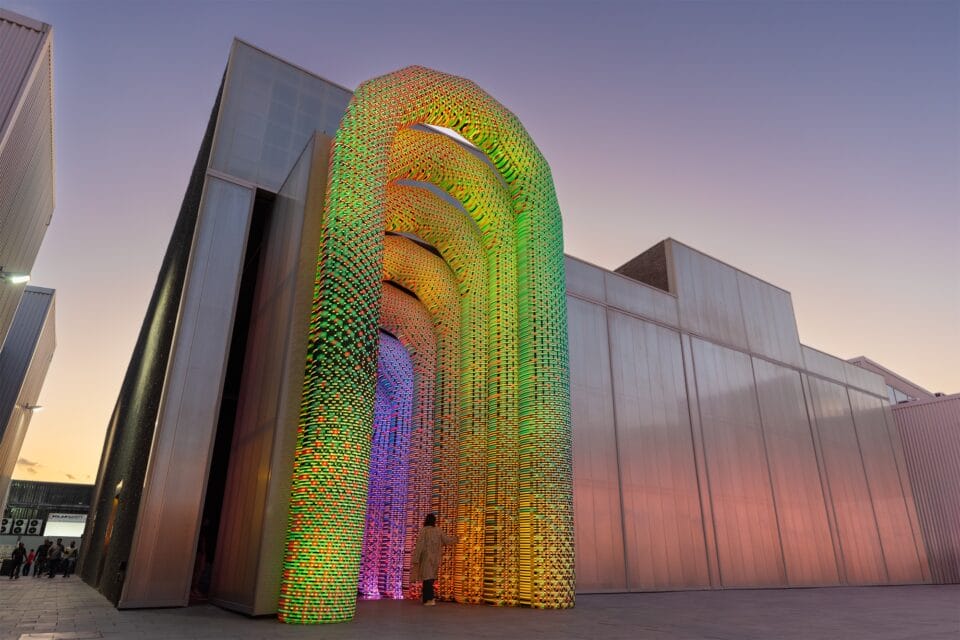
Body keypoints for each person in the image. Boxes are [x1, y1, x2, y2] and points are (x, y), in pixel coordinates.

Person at [410, 513, 457, 606]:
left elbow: (419, 545)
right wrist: (456, 538)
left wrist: (416, 558)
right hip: (436, 559)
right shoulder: (438, 531)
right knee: (430, 578)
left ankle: (430, 599)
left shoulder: (424, 531)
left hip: (426, 558)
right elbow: (447, 540)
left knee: (427, 578)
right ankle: (426, 598)